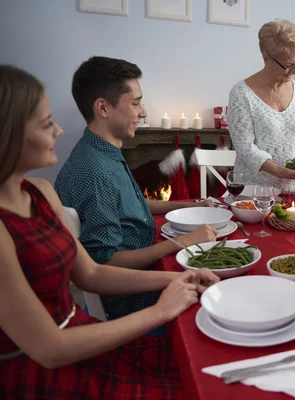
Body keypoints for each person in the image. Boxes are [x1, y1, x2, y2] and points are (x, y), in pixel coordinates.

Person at [0, 65, 220, 399]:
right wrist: (161, 308)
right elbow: (49, 348)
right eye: (46, 123)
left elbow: (91, 272)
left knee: (208, 373)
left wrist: (176, 279)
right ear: (8, 133)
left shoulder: (40, 191)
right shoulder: (92, 172)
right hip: (43, 368)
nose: (59, 130)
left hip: (82, 333)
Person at [54, 56, 217, 320]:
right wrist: (181, 242)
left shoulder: (101, 150)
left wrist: (188, 204)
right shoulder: (97, 173)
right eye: (136, 103)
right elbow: (103, 263)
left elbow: (133, 205)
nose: (143, 112)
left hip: (144, 274)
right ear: (103, 108)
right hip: (133, 299)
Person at [228, 19, 295, 194]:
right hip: (252, 194)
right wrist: (279, 172)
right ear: (266, 58)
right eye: (288, 65)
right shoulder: (242, 94)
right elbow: (245, 148)